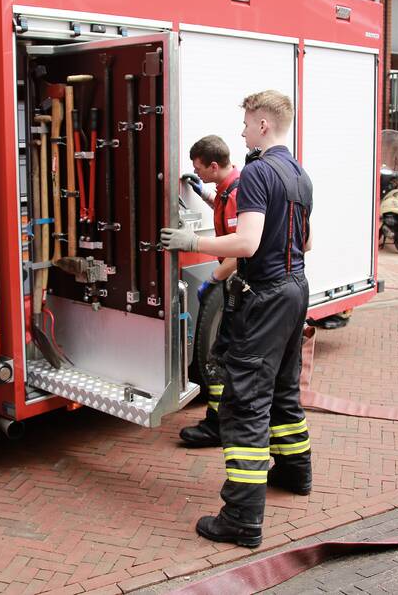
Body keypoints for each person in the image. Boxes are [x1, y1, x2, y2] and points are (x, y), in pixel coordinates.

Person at [160, 90, 313, 548]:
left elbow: (246, 243)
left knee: (246, 402)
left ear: (263, 125)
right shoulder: (299, 174)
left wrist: (192, 241)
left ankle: (242, 519)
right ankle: (294, 473)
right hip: (295, 289)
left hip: (264, 296)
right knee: (284, 388)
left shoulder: (257, 173)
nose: (242, 131)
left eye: (246, 123)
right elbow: (305, 244)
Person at [178, 134, 241, 447]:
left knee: (222, 356)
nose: (196, 171)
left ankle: (218, 425)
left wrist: (212, 280)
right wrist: (200, 190)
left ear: (214, 165)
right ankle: (217, 421)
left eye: (199, 168)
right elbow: (221, 205)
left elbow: (238, 251)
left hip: (238, 285)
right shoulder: (227, 188)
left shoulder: (239, 192)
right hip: (236, 285)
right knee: (222, 355)